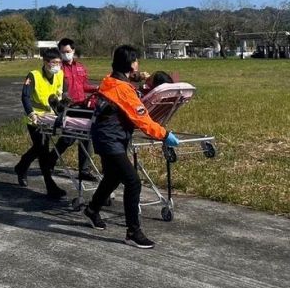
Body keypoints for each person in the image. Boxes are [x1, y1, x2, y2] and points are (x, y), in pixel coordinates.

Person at [83, 45, 180, 249]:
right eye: (136, 60)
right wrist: (165, 135)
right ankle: (132, 231)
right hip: (110, 139)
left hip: (108, 136)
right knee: (133, 182)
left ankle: (92, 210)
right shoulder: (123, 90)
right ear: (130, 63)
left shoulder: (111, 80)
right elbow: (142, 119)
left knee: (113, 177)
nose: (138, 63)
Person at [12, 48, 67, 199]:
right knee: (42, 150)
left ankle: (21, 166)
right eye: (54, 62)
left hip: (51, 117)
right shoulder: (34, 75)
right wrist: (31, 113)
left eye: (59, 62)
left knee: (38, 148)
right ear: (45, 62)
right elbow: (25, 96)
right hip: (35, 118)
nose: (57, 65)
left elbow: (61, 96)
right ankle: (50, 186)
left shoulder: (60, 75)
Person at [48, 37, 100, 181]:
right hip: (67, 106)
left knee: (86, 138)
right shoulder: (58, 69)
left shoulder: (81, 67)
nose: (66, 54)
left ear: (73, 51)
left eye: (68, 51)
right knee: (69, 138)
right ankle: (51, 159)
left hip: (83, 105)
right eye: (63, 52)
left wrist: (96, 88)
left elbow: (84, 85)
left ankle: (84, 170)